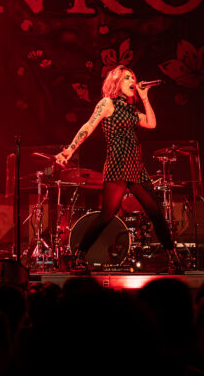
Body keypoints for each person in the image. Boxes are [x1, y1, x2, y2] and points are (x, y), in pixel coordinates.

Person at [55, 65, 183, 274]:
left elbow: (151, 123)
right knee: (107, 214)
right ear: (116, 82)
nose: (133, 81)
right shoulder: (107, 103)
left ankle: (173, 259)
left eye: (133, 77)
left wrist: (144, 97)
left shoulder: (131, 110)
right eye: (127, 78)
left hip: (136, 166)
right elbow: (88, 126)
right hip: (117, 163)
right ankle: (78, 256)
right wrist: (70, 148)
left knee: (156, 213)